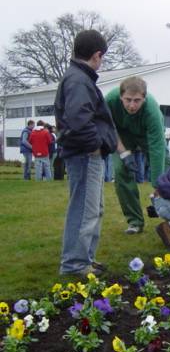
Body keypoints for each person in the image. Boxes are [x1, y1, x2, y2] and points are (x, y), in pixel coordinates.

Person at [54, 29, 117, 275]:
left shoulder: (77, 78)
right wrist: (95, 145)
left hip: (85, 153)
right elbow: (79, 119)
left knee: (93, 209)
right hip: (85, 154)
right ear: (97, 55)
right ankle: (74, 263)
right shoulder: (79, 80)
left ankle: (84, 257)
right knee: (83, 209)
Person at [105, 77, 170, 234]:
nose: (132, 105)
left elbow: (157, 148)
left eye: (137, 101)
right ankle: (134, 221)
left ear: (144, 98)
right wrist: (124, 153)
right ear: (121, 96)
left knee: (168, 171)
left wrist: (158, 185)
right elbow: (108, 128)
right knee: (121, 170)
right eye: (128, 100)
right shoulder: (109, 100)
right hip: (121, 135)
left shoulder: (152, 110)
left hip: (147, 135)